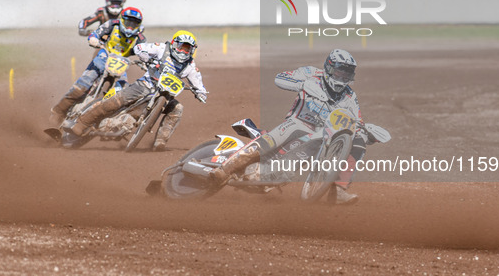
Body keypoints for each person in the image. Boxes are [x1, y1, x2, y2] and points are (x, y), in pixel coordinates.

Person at [210, 49, 369, 205]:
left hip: (320, 135)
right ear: (329, 67)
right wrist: (303, 85)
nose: (342, 77)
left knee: (357, 141)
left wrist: (366, 131)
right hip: (297, 123)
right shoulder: (311, 73)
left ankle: (338, 190)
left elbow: (357, 120)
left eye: (346, 74)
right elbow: (280, 78)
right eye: (339, 72)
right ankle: (226, 169)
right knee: (274, 138)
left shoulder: (349, 96)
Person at [64, 30, 208, 151]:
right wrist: (144, 54)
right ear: (175, 44)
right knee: (116, 101)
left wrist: (200, 93)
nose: (184, 51)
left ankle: (160, 141)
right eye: (182, 47)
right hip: (145, 85)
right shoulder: (161, 48)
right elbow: (140, 47)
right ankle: (82, 122)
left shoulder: (190, 66)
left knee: (178, 109)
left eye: (187, 49)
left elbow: (198, 84)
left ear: (192, 50)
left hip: (166, 96)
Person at [50, 7, 146, 126]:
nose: (130, 27)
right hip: (104, 55)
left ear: (139, 25)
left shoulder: (140, 38)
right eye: (128, 23)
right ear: (122, 20)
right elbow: (95, 34)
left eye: (134, 24)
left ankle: (107, 121)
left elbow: (145, 52)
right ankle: (59, 110)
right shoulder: (112, 25)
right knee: (83, 84)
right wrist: (94, 40)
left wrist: (147, 61)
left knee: (122, 90)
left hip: (122, 64)